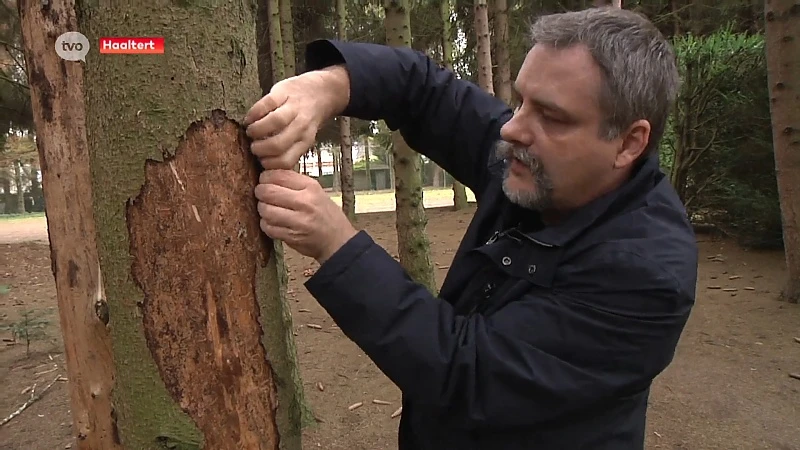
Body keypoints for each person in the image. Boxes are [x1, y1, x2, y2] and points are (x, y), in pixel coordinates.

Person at [243, 6, 698, 450]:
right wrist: (327, 87)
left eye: (552, 116)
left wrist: (337, 245)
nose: (513, 129)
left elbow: (469, 375)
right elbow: (424, 90)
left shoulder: (647, 274)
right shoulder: (536, 160)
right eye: (521, 101)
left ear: (628, 141)